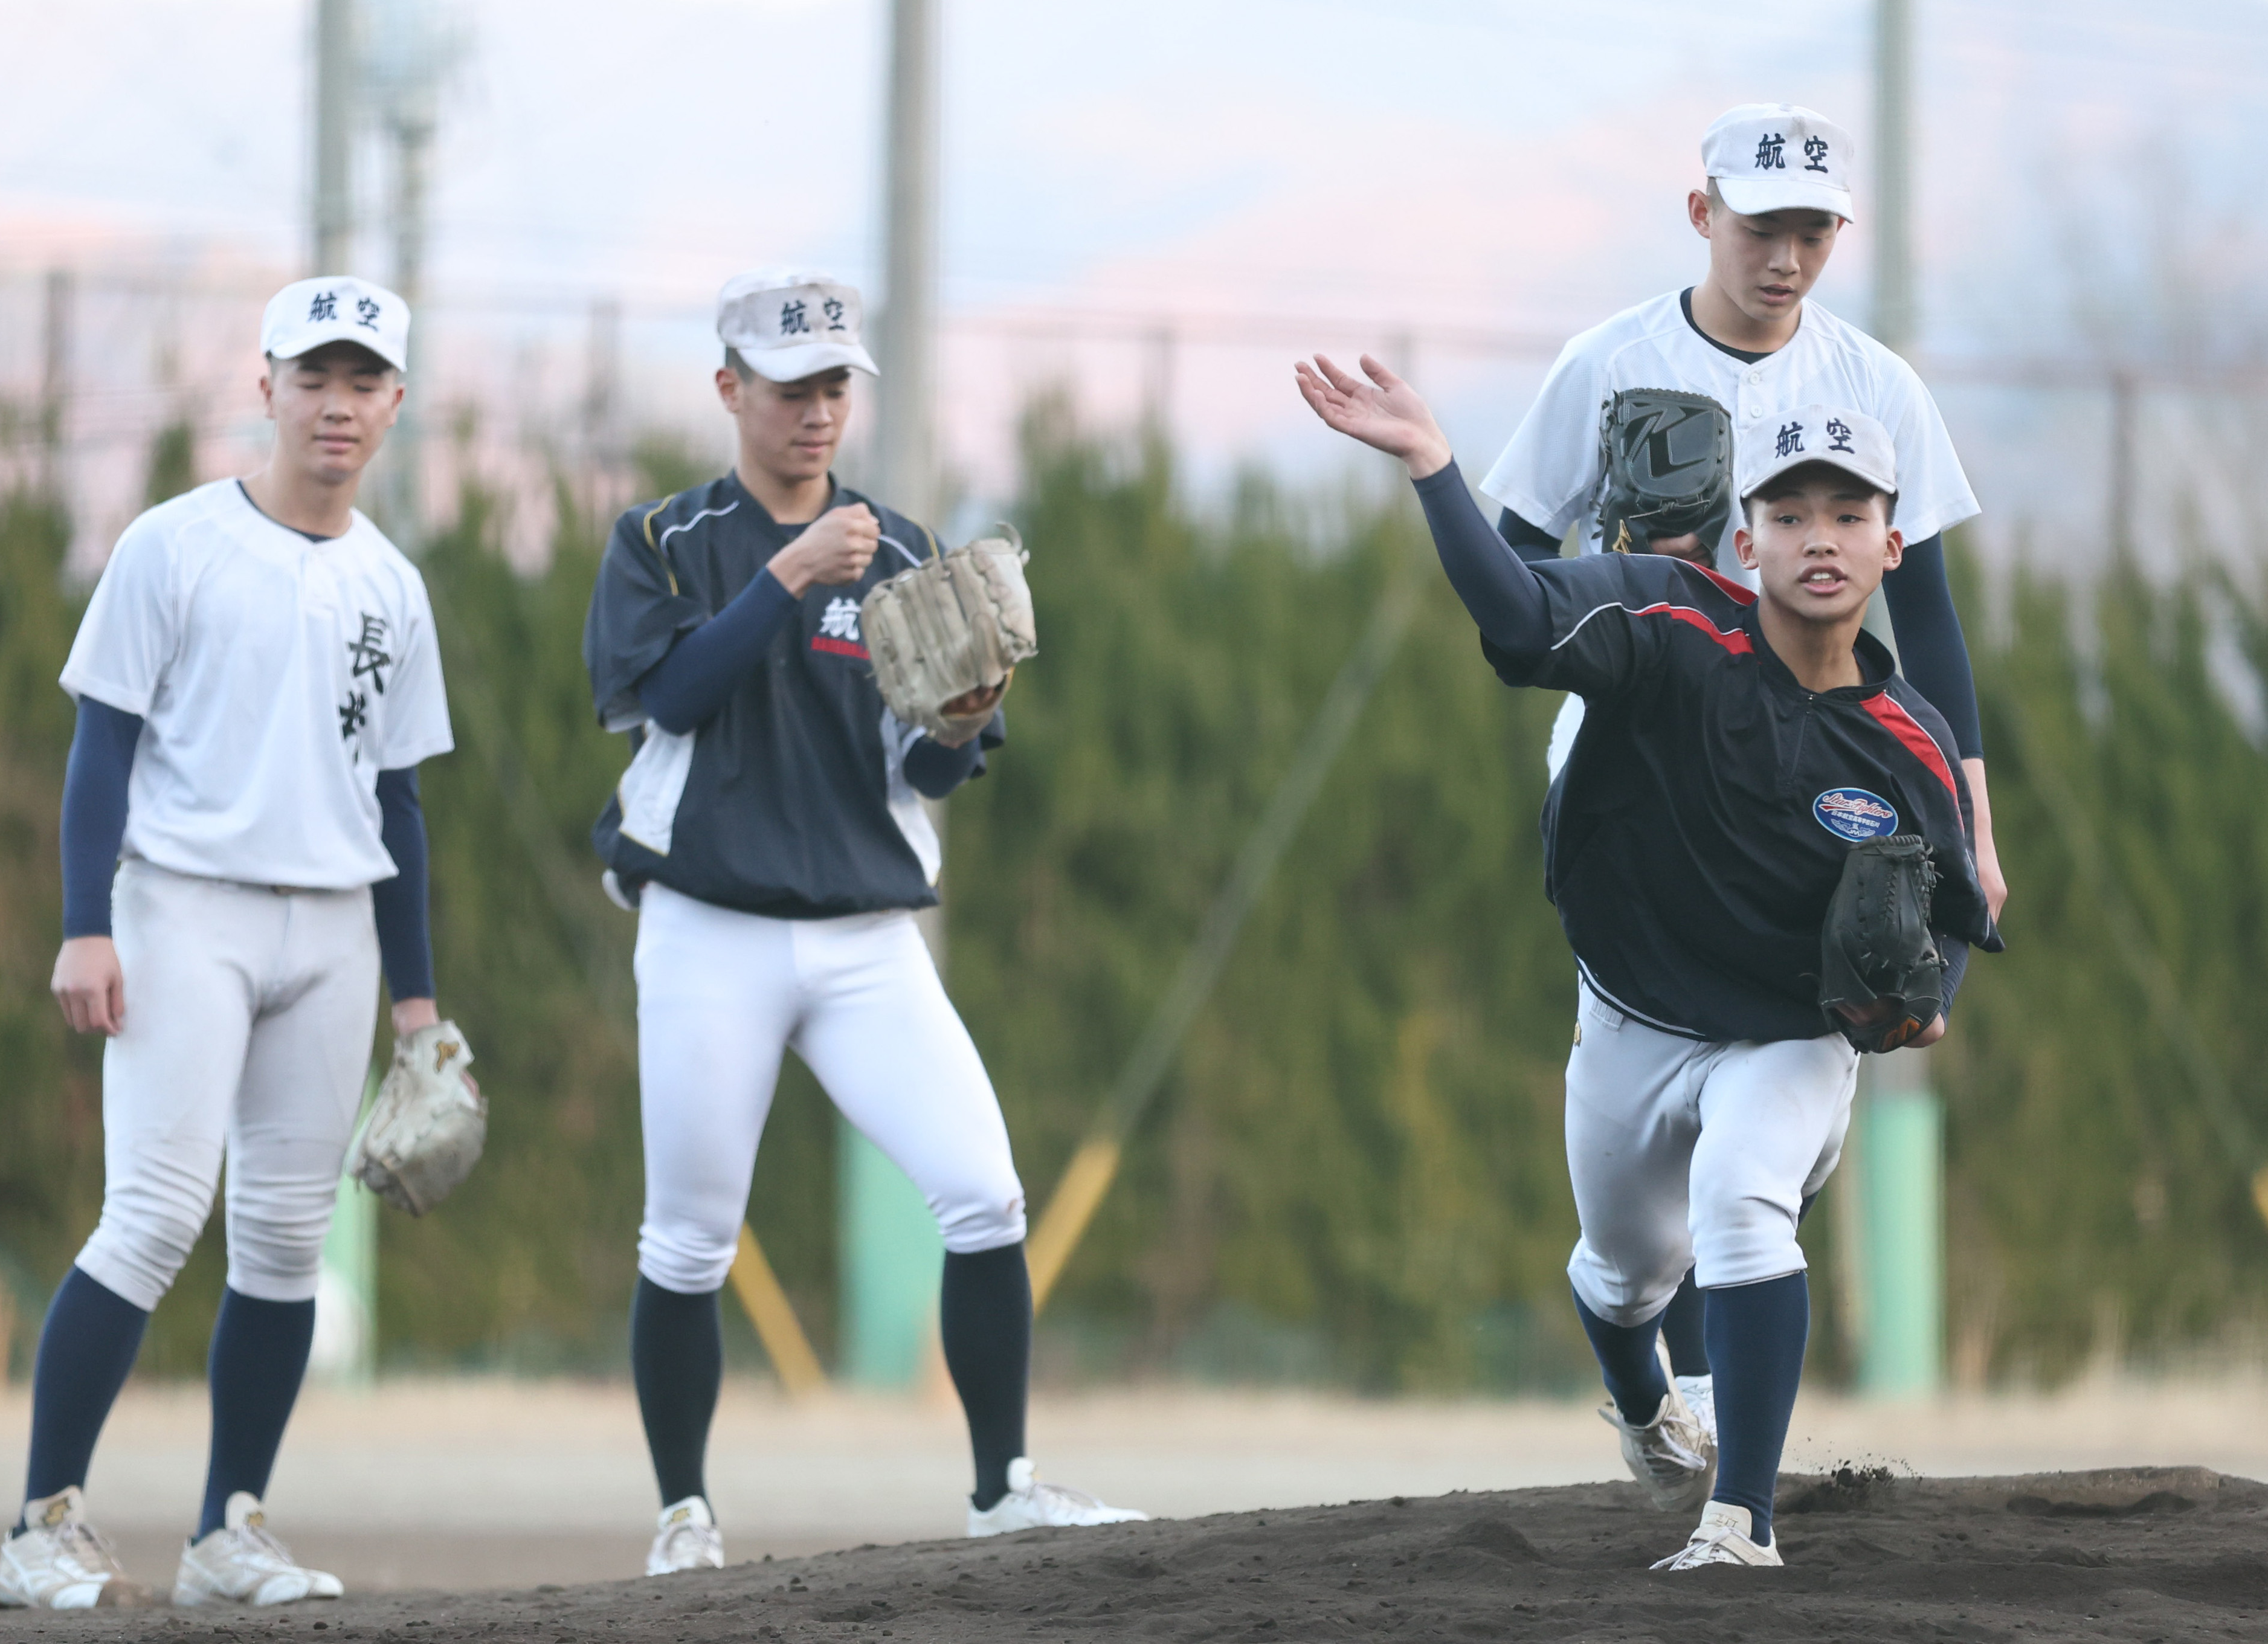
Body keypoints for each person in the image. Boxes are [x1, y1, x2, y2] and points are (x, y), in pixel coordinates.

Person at [1297, 350, 1998, 1568]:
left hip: (1788, 1033)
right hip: (1630, 1016)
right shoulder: (1670, 627)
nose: (1819, 537)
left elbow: (1954, 918)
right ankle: (1640, 1409)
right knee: (1622, 1279)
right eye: (1791, 513)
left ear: (1894, 545)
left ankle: (1743, 1520)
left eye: (1850, 512)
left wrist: (1929, 1001)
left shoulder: (1908, 748)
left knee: (1740, 1203)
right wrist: (1433, 466)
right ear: (1745, 536)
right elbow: (1519, 620)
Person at [582, 268, 1144, 1577]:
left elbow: (937, 770)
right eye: (790, 389)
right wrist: (781, 577)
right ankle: (683, 1514)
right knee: (688, 1235)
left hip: (863, 938)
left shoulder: (901, 552)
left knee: (984, 1190)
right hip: (708, 925)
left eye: (836, 385)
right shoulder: (664, 540)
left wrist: (961, 715)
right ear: (731, 391)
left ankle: (1002, 1486)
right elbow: (665, 697)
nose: (817, 411)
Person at [1481, 102, 2010, 1457]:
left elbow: (1933, 622)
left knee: (1813, 1005)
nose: (1788, 254)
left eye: (1814, 229)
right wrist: (1621, 558)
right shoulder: (1612, 361)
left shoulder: (1876, 381)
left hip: (1821, 751)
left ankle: (1717, 1375)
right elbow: (1512, 564)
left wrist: (1971, 812)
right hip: (1648, 746)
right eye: (1764, 223)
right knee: (1675, 1056)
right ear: (1703, 211)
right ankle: (1649, 1327)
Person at [0, 277, 456, 1611]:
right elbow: (103, 748)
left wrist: (418, 1009)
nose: (336, 401)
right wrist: (87, 923)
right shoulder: (175, 543)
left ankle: (225, 1529)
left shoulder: (393, 585)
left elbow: (400, 803)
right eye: (314, 374)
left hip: (332, 929)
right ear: (265, 385)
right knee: (149, 1216)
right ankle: (38, 1524)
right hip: (181, 904)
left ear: (395, 406)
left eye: (364, 379)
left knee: (283, 1241)